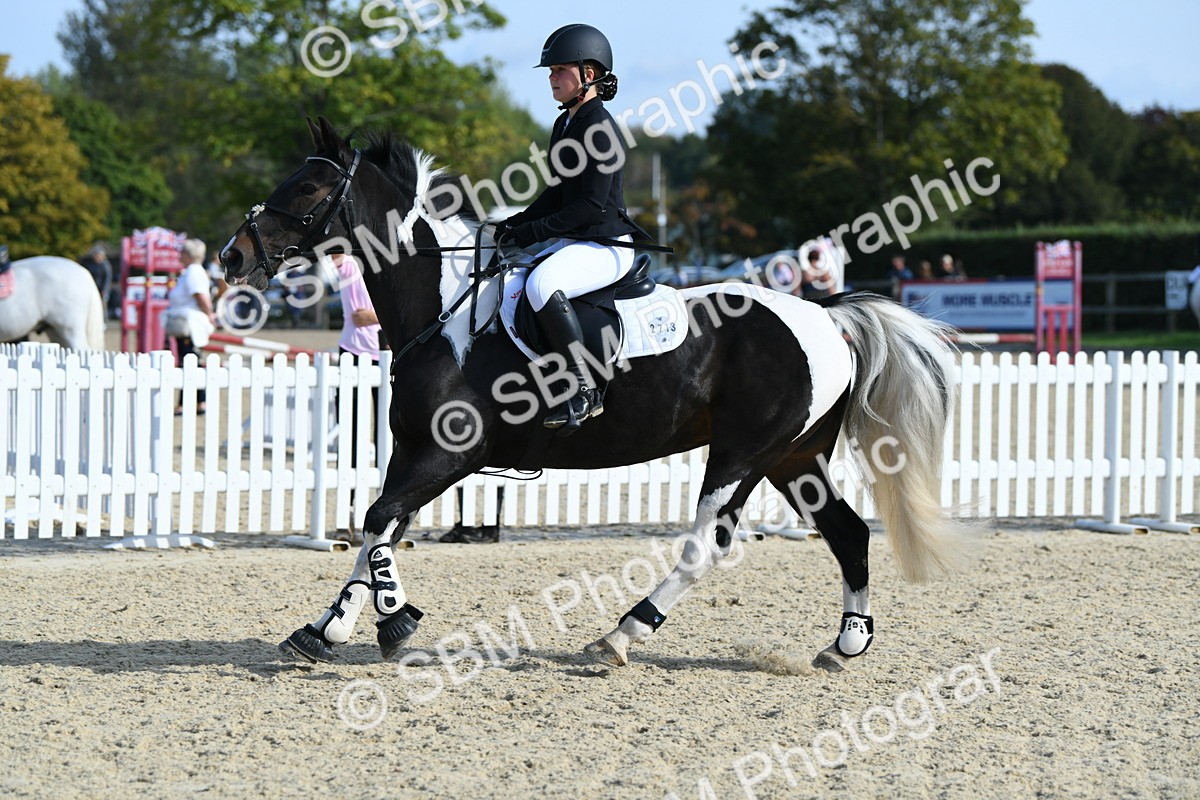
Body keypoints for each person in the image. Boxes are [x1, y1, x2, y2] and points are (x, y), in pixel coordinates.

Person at [495, 23, 650, 434]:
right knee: (508, 279)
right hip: (576, 241)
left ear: (588, 74)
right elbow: (557, 194)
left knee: (541, 284)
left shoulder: (599, 127)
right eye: (551, 71)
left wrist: (534, 232)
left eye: (560, 70)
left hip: (606, 244)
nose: (552, 78)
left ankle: (583, 389)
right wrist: (513, 224)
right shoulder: (565, 124)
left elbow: (591, 205)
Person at [332, 253, 384, 538]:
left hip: (387, 353)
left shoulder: (392, 260)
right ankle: (348, 512)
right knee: (350, 436)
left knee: (387, 436)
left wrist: (375, 316)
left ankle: (386, 510)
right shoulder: (351, 264)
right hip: (353, 352)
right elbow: (332, 248)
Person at [164, 239, 215, 414]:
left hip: (191, 325)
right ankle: (199, 401)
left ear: (188, 255)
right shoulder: (190, 272)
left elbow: (200, 296)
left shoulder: (193, 272)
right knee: (191, 362)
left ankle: (188, 403)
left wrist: (210, 314)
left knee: (189, 363)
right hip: (186, 324)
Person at [81, 244, 113, 311]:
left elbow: (107, 279)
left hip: (102, 289)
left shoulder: (105, 266)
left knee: (102, 306)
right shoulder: (91, 265)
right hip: (93, 288)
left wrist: (104, 290)